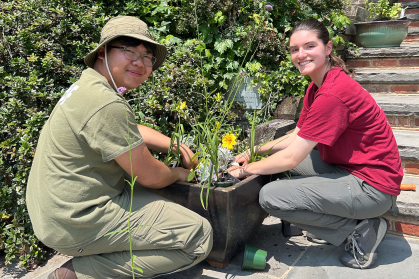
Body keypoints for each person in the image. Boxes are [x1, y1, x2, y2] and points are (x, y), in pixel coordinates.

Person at [26, 16, 212, 279]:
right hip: (75, 221)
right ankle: (79, 272)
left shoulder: (88, 86)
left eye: (147, 56)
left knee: (160, 203)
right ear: (103, 52)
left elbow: (129, 131)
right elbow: (151, 176)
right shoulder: (105, 103)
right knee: (199, 235)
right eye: (129, 51)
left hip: (60, 210)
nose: (141, 63)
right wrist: (182, 173)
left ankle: (104, 250)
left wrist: (176, 145)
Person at [229, 19, 403, 269]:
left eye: (309, 46)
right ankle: (334, 220)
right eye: (294, 49)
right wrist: (255, 150)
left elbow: (291, 158)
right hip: (352, 169)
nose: (301, 55)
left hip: (373, 188)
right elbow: (297, 136)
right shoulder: (317, 86)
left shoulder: (332, 94)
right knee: (279, 169)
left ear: (328, 48)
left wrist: (245, 170)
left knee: (271, 196)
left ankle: (361, 231)